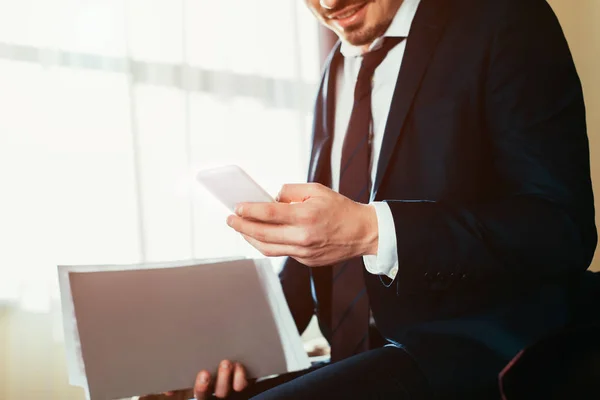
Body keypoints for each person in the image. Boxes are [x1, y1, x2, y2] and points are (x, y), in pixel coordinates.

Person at [143, 0, 597, 398]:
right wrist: (237, 352)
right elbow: (318, 253)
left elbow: (562, 228)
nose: (329, 3)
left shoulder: (505, 20)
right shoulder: (335, 69)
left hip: (475, 347)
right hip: (356, 354)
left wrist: (370, 230)